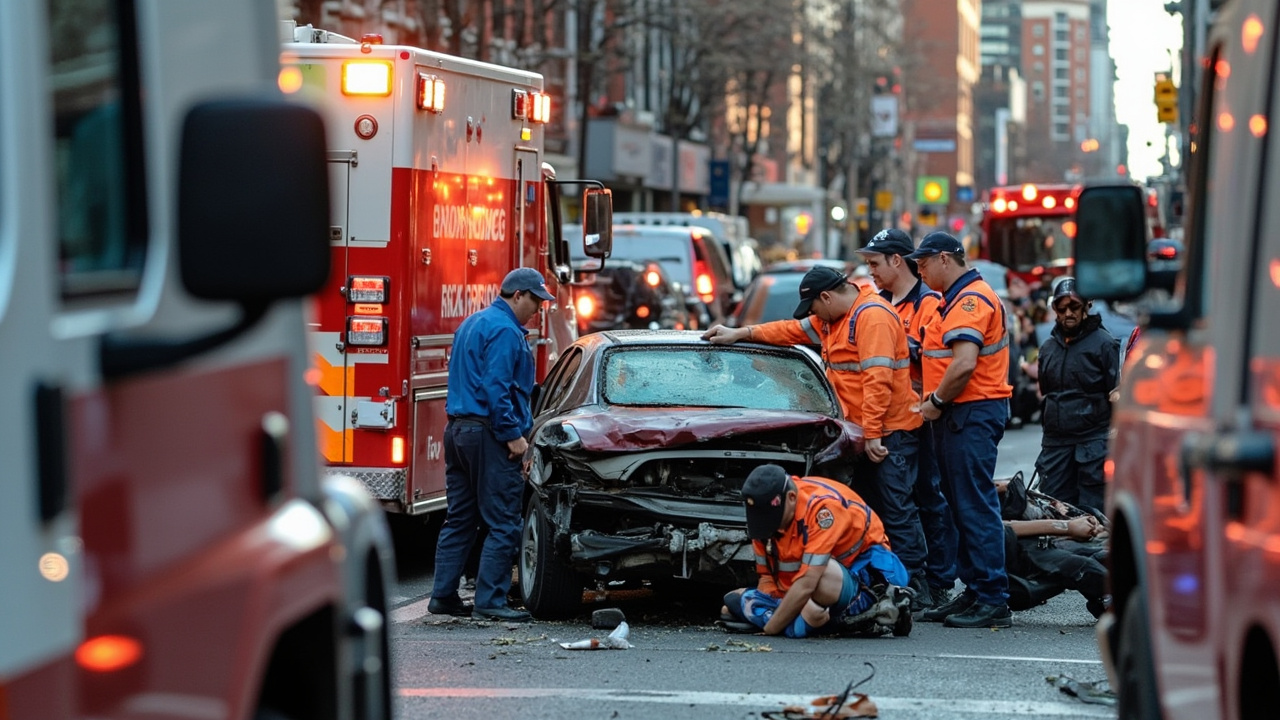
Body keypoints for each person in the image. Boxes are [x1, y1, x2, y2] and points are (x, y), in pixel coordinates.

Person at [702, 266, 928, 600]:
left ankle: (916, 587)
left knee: (896, 510)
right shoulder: (832, 317)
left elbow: (877, 381)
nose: (813, 318)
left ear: (827, 297)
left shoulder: (872, 317)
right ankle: (882, 582)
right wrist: (741, 333)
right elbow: (789, 331)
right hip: (861, 431)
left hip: (888, 432)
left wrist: (874, 434)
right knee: (871, 511)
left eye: (814, 309)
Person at [428, 267, 554, 623]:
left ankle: (443, 595)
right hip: (489, 433)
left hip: (459, 431)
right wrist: (513, 435)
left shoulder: (472, 323)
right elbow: (497, 388)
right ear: (517, 295)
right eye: (535, 300)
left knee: (461, 518)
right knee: (503, 521)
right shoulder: (504, 331)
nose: (538, 309)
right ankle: (490, 601)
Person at [907, 232, 1014, 629]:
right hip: (962, 414)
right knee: (960, 504)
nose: (918, 270)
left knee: (973, 504)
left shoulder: (971, 301)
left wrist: (934, 402)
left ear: (944, 260)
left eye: (923, 263)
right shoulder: (953, 300)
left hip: (969, 412)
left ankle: (991, 597)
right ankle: (976, 590)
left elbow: (964, 363)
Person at [856, 228, 959, 612]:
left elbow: (936, 352)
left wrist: (901, 345)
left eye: (875, 263)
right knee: (901, 502)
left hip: (927, 416)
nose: (869, 272)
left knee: (930, 499)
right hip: (898, 419)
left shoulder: (930, 303)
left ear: (897, 260)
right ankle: (908, 576)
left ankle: (938, 581)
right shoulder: (876, 304)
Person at [719, 464, 912, 637]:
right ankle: (807, 621)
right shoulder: (763, 523)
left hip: (862, 582)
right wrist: (779, 606)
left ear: (792, 498)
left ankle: (865, 614)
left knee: (822, 577)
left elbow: (807, 583)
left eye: (772, 517)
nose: (770, 528)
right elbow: (767, 580)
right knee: (730, 605)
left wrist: (771, 628)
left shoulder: (823, 509)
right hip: (804, 594)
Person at [1034, 277, 1120, 513]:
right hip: (1056, 445)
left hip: (1093, 443)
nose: (1068, 313)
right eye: (1062, 309)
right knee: (1055, 507)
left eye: (1074, 307)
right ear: (1054, 310)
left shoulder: (1104, 344)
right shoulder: (1048, 348)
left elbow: (1114, 392)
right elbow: (1045, 389)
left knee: (1095, 511)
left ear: (1086, 307)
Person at [997, 472, 1110, 619]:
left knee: (1104, 556)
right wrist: (1066, 526)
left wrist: (1070, 517)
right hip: (1013, 552)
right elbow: (997, 528)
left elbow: (1001, 486)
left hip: (1036, 538)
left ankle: (1109, 600)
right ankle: (1120, 603)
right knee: (1080, 566)